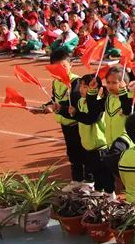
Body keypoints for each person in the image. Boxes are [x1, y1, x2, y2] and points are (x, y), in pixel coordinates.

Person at [39, 50, 83, 182]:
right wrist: (44, 107)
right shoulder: (56, 82)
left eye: (64, 66)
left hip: (77, 125)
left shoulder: (76, 82)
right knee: (72, 153)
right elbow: (54, 100)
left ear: (71, 65)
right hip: (65, 124)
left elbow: (75, 103)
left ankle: (88, 182)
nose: (61, 70)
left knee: (83, 153)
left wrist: (55, 107)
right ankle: (77, 180)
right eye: (57, 67)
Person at [68, 75, 109, 191]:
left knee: (103, 172)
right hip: (87, 142)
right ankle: (97, 190)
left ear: (95, 88)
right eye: (80, 86)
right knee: (93, 169)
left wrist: (76, 114)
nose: (81, 89)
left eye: (85, 87)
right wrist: (61, 109)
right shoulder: (81, 101)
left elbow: (91, 119)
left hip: (99, 144)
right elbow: (79, 116)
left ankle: (109, 193)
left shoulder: (98, 102)